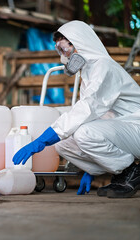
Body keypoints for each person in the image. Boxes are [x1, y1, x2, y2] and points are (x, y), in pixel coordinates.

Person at [13, 20, 140, 198]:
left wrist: (41, 140)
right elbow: (98, 115)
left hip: (136, 128)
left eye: (64, 50)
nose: (63, 58)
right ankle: (121, 174)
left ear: (79, 44)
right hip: (124, 130)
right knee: (62, 144)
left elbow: (86, 109)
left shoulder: (103, 67)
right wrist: (92, 168)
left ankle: (131, 172)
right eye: (59, 51)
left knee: (83, 133)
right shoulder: (89, 72)